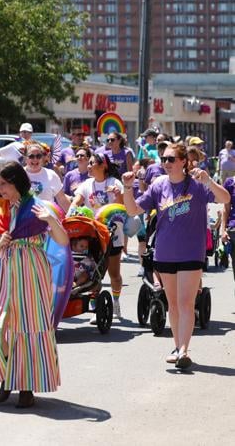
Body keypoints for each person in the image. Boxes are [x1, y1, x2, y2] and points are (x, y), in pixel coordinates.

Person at [123, 143, 230, 369]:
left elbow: (225, 198)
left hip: (192, 252)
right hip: (165, 253)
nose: (166, 163)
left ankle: (184, 350)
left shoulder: (198, 185)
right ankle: (177, 345)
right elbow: (133, 210)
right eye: (164, 159)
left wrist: (209, 181)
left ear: (183, 162)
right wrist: (127, 188)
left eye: (171, 159)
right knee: (173, 303)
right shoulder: (158, 185)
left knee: (186, 303)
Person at [0, 161, 68, 408]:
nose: (0, 190)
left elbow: (62, 239)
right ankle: (7, 376)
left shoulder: (38, 207)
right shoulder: (1, 210)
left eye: (4, 184)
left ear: (16, 182)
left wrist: (51, 219)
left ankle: (26, 386)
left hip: (31, 270)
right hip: (3, 270)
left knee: (29, 327)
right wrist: (1, 242)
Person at [69, 152, 125, 319]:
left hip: (113, 234)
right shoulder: (87, 184)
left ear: (103, 166)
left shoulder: (114, 183)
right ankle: (95, 306)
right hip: (93, 235)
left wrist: (118, 194)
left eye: (92, 163)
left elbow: (122, 207)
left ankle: (115, 303)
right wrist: (71, 211)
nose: (89, 166)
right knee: (95, 272)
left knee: (114, 273)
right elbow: (76, 201)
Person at [23, 143, 70, 211]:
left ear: (42, 158)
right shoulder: (19, 174)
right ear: (25, 158)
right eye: (31, 156)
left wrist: (73, 216)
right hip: (24, 219)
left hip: (47, 219)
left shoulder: (51, 175)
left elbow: (62, 200)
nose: (35, 159)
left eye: (38, 156)